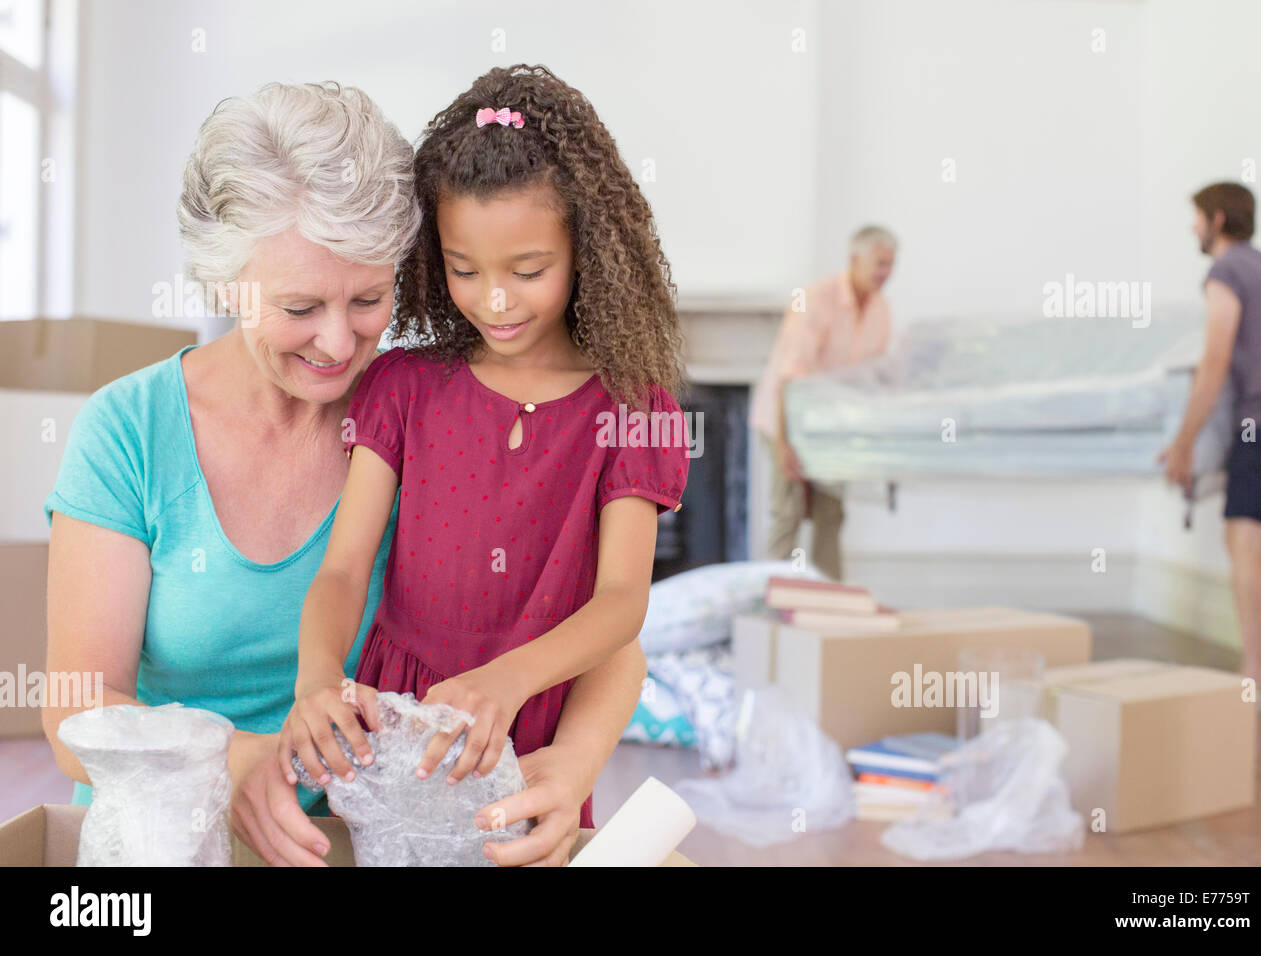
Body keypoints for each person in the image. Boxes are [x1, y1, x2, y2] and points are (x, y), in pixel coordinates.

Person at [41, 80, 651, 868]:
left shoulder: (426, 414)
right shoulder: (128, 432)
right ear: (224, 284)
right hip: (163, 843)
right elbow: (74, 715)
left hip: (362, 842)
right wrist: (241, 765)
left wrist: (575, 762)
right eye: (299, 308)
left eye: (368, 299)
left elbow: (602, 627)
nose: (337, 344)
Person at [279, 64, 691, 865]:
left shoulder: (633, 412)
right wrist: (315, 676)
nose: (494, 300)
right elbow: (343, 570)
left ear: (589, 251)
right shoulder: (404, 387)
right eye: (465, 270)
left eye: (527, 271)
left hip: (535, 723)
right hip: (396, 725)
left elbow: (620, 605)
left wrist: (507, 682)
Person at [1160, 182, 1261, 687]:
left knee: (1245, 541)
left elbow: (1215, 360)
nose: (1192, 227)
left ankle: (1253, 668)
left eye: (1196, 217)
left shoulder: (1227, 271)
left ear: (1217, 219)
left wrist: (1182, 443)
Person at [749, 225, 896, 580]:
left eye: (890, 265)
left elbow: (871, 379)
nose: (885, 273)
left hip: (831, 428)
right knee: (789, 511)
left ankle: (831, 598)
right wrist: (785, 445)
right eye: (879, 264)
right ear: (854, 260)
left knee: (831, 512)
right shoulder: (815, 300)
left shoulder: (881, 310)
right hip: (785, 419)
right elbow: (789, 377)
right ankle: (768, 596)